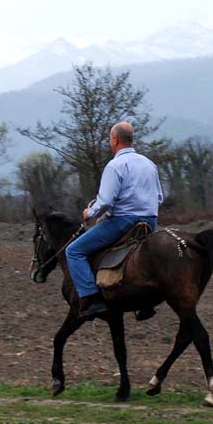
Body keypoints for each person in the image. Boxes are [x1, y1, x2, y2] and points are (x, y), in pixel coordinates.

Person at [66, 121, 163, 319]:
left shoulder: (115, 165)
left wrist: (89, 213)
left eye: (110, 139)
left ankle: (91, 299)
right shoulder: (149, 164)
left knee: (73, 251)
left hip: (123, 223)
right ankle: (145, 302)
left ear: (115, 139)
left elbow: (106, 201)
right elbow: (159, 197)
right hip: (150, 223)